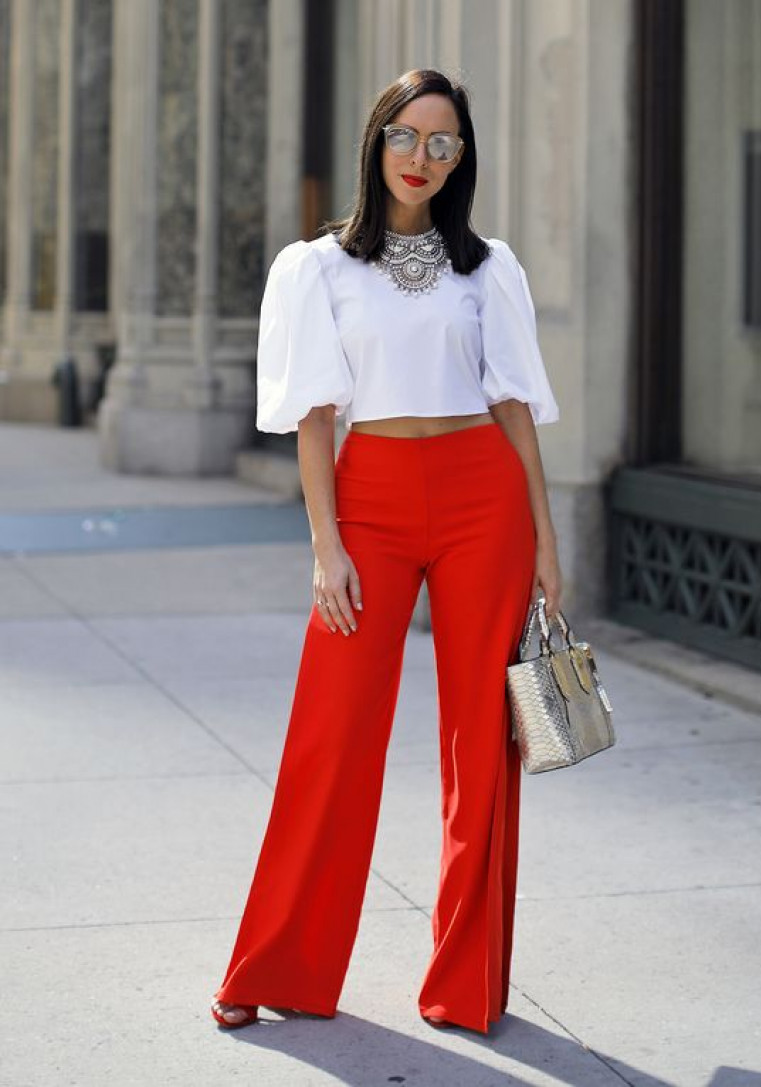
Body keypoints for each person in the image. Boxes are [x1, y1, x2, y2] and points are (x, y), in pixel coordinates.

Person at [211, 67, 563, 1036]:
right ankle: (275, 961)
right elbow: (315, 417)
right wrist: (325, 543)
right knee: (329, 733)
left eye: (442, 143)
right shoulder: (316, 267)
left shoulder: (488, 268)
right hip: (364, 501)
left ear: (462, 159)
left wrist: (544, 538)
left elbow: (513, 409)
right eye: (406, 137)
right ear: (377, 141)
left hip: (481, 500)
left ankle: (465, 983)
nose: (421, 158)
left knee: (478, 749)